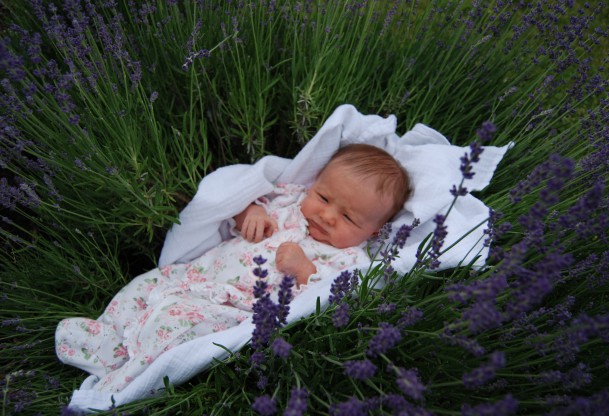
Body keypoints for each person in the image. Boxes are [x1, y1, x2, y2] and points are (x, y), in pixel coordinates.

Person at [55, 143, 411, 392]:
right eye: (323, 197)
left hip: (231, 306)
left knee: (174, 325)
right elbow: (240, 202)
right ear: (313, 185)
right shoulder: (289, 201)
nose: (327, 215)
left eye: (348, 216)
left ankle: (126, 378)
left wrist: (304, 270)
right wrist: (250, 212)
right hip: (197, 273)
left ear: (375, 231)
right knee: (141, 288)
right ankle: (104, 340)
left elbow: (334, 296)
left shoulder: (350, 259)